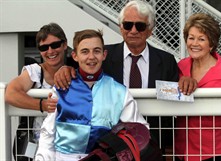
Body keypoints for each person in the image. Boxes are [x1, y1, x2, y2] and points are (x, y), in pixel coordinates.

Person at [52, 0, 197, 159]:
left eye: (140, 26)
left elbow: (176, 93)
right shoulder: (103, 55)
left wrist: (186, 81)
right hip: (108, 145)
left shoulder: (166, 60)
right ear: (121, 28)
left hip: (149, 144)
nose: (133, 30)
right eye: (128, 25)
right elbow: (84, 69)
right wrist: (65, 69)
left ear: (150, 30)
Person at [34, 29, 149, 161]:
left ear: (104, 54)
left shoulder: (119, 91)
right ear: (75, 56)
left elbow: (140, 130)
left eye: (96, 51)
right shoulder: (61, 86)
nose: (91, 57)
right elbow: (48, 133)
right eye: (85, 51)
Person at [5, 22, 67, 160]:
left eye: (55, 45)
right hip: (37, 145)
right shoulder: (34, 71)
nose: (50, 51)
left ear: (64, 45)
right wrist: (42, 105)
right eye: (44, 47)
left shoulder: (73, 71)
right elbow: (10, 93)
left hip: (66, 146)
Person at [175, 13, 221, 161]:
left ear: (211, 43)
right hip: (182, 150)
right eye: (191, 37)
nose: (194, 43)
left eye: (201, 39)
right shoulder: (180, 67)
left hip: (214, 152)